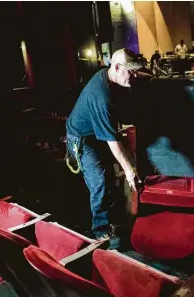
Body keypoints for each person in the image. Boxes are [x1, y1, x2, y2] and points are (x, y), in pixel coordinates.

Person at [65, 48, 144, 249]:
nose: (134, 76)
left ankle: (111, 219)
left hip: (95, 132)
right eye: (131, 72)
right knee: (99, 181)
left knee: (108, 177)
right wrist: (129, 169)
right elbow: (113, 141)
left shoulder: (112, 76)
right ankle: (100, 232)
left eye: (136, 72)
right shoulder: (100, 96)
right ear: (117, 67)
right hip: (81, 139)